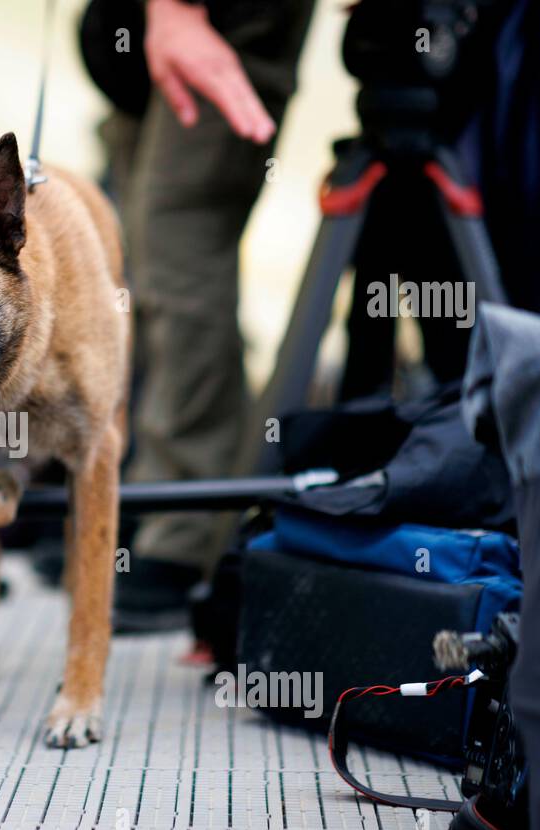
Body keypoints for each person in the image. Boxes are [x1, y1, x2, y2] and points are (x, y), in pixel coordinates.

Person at [90, 0, 315, 631]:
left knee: (176, 245)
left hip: (218, 14)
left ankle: (189, 526)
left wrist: (175, 10)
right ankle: (142, 492)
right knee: (132, 240)